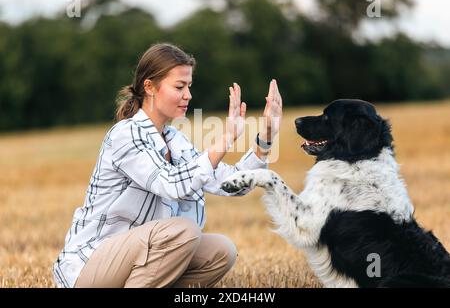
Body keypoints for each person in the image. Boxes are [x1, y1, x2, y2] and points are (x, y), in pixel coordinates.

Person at [53, 43, 283, 288]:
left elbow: (231, 184)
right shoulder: (126, 134)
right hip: (90, 265)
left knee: (221, 251)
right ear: (149, 87)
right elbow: (172, 184)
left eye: (189, 87)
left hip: (139, 258)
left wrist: (265, 138)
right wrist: (226, 138)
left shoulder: (176, 140)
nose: (188, 95)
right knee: (184, 232)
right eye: (179, 87)